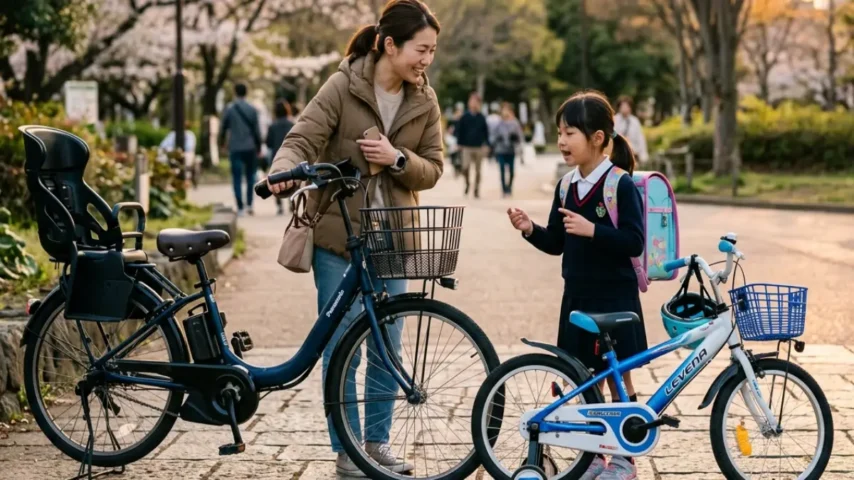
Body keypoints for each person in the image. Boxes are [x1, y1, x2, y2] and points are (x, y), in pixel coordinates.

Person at [266, 1, 442, 476]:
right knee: (341, 344)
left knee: (388, 346)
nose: (427, 60)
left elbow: (433, 168)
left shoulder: (424, 100)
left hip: (396, 240)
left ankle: (377, 444)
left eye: (432, 51)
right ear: (390, 45)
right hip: (340, 238)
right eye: (420, 49)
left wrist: (397, 158)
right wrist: (283, 170)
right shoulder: (343, 85)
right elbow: (301, 137)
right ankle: (346, 450)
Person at [507, 90, 647, 480]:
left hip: (616, 297)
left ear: (598, 138)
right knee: (581, 379)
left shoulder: (619, 184)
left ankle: (623, 460)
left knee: (620, 379)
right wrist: (530, 229)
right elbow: (556, 242)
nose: (561, 141)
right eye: (559, 133)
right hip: (578, 296)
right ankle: (590, 458)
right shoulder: (567, 185)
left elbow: (633, 242)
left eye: (570, 133)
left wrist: (593, 230)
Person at [219, 82, 262, 216]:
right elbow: (256, 130)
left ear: (235, 92)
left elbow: (223, 127)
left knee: (237, 177)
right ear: (246, 92)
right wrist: (259, 146)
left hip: (235, 147)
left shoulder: (230, 109)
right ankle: (250, 204)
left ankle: (240, 207)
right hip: (250, 147)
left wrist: (221, 143)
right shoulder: (252, 109)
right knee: (251, 176)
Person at [454, 92, 490, 198]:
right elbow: (459, 131)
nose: (474, 103)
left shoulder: (482, 117)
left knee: (478, 170)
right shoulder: (464, 117)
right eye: (472, 101)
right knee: (465, 167)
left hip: (479, 146)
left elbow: (486, 132)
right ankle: (467, 183)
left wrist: (486, 144)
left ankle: (476, 189)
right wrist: (459, 143)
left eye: (476, 102)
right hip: (466, 146)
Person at [264, 99, 295, 215]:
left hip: (276, 156)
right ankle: (292, 203)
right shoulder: (292, 124)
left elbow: (268, 143)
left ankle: (279, 206)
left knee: (276, 180)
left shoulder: (273, 126)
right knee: (291, 178)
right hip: (291, 155)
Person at [493, 102, 524, 197]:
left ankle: (509, 187)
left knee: (511, 171)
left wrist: (516, 140)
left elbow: (520, 136)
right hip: (501, 150)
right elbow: (494, 136)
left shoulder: (515, 123)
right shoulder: (499, 123)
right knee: (502, 170)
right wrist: (497, 139)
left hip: (511, 150)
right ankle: (504, 190)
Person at [615, 95, 649, 164]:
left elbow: (640, 139)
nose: (625, 108)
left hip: (633, 154)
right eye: (623, 106)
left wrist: (643, 154)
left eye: (627, 106)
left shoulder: (635, 121)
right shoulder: (615, 120)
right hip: (618, 155)